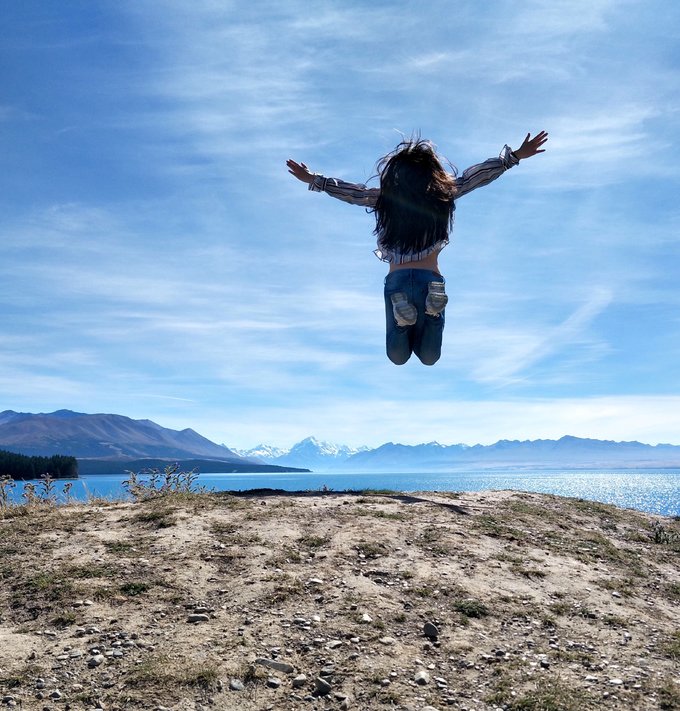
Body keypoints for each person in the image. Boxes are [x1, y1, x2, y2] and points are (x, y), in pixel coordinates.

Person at [287, 131, 548, 366]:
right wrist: (512, 157)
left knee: (397, 357)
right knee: (430, 358)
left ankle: (404, 319)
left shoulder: (385, 200)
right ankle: (431, 312)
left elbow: (353, 193)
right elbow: (474, 178)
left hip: (398, 280)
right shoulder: (443, 192)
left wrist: (315, 179)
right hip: (430, 279)